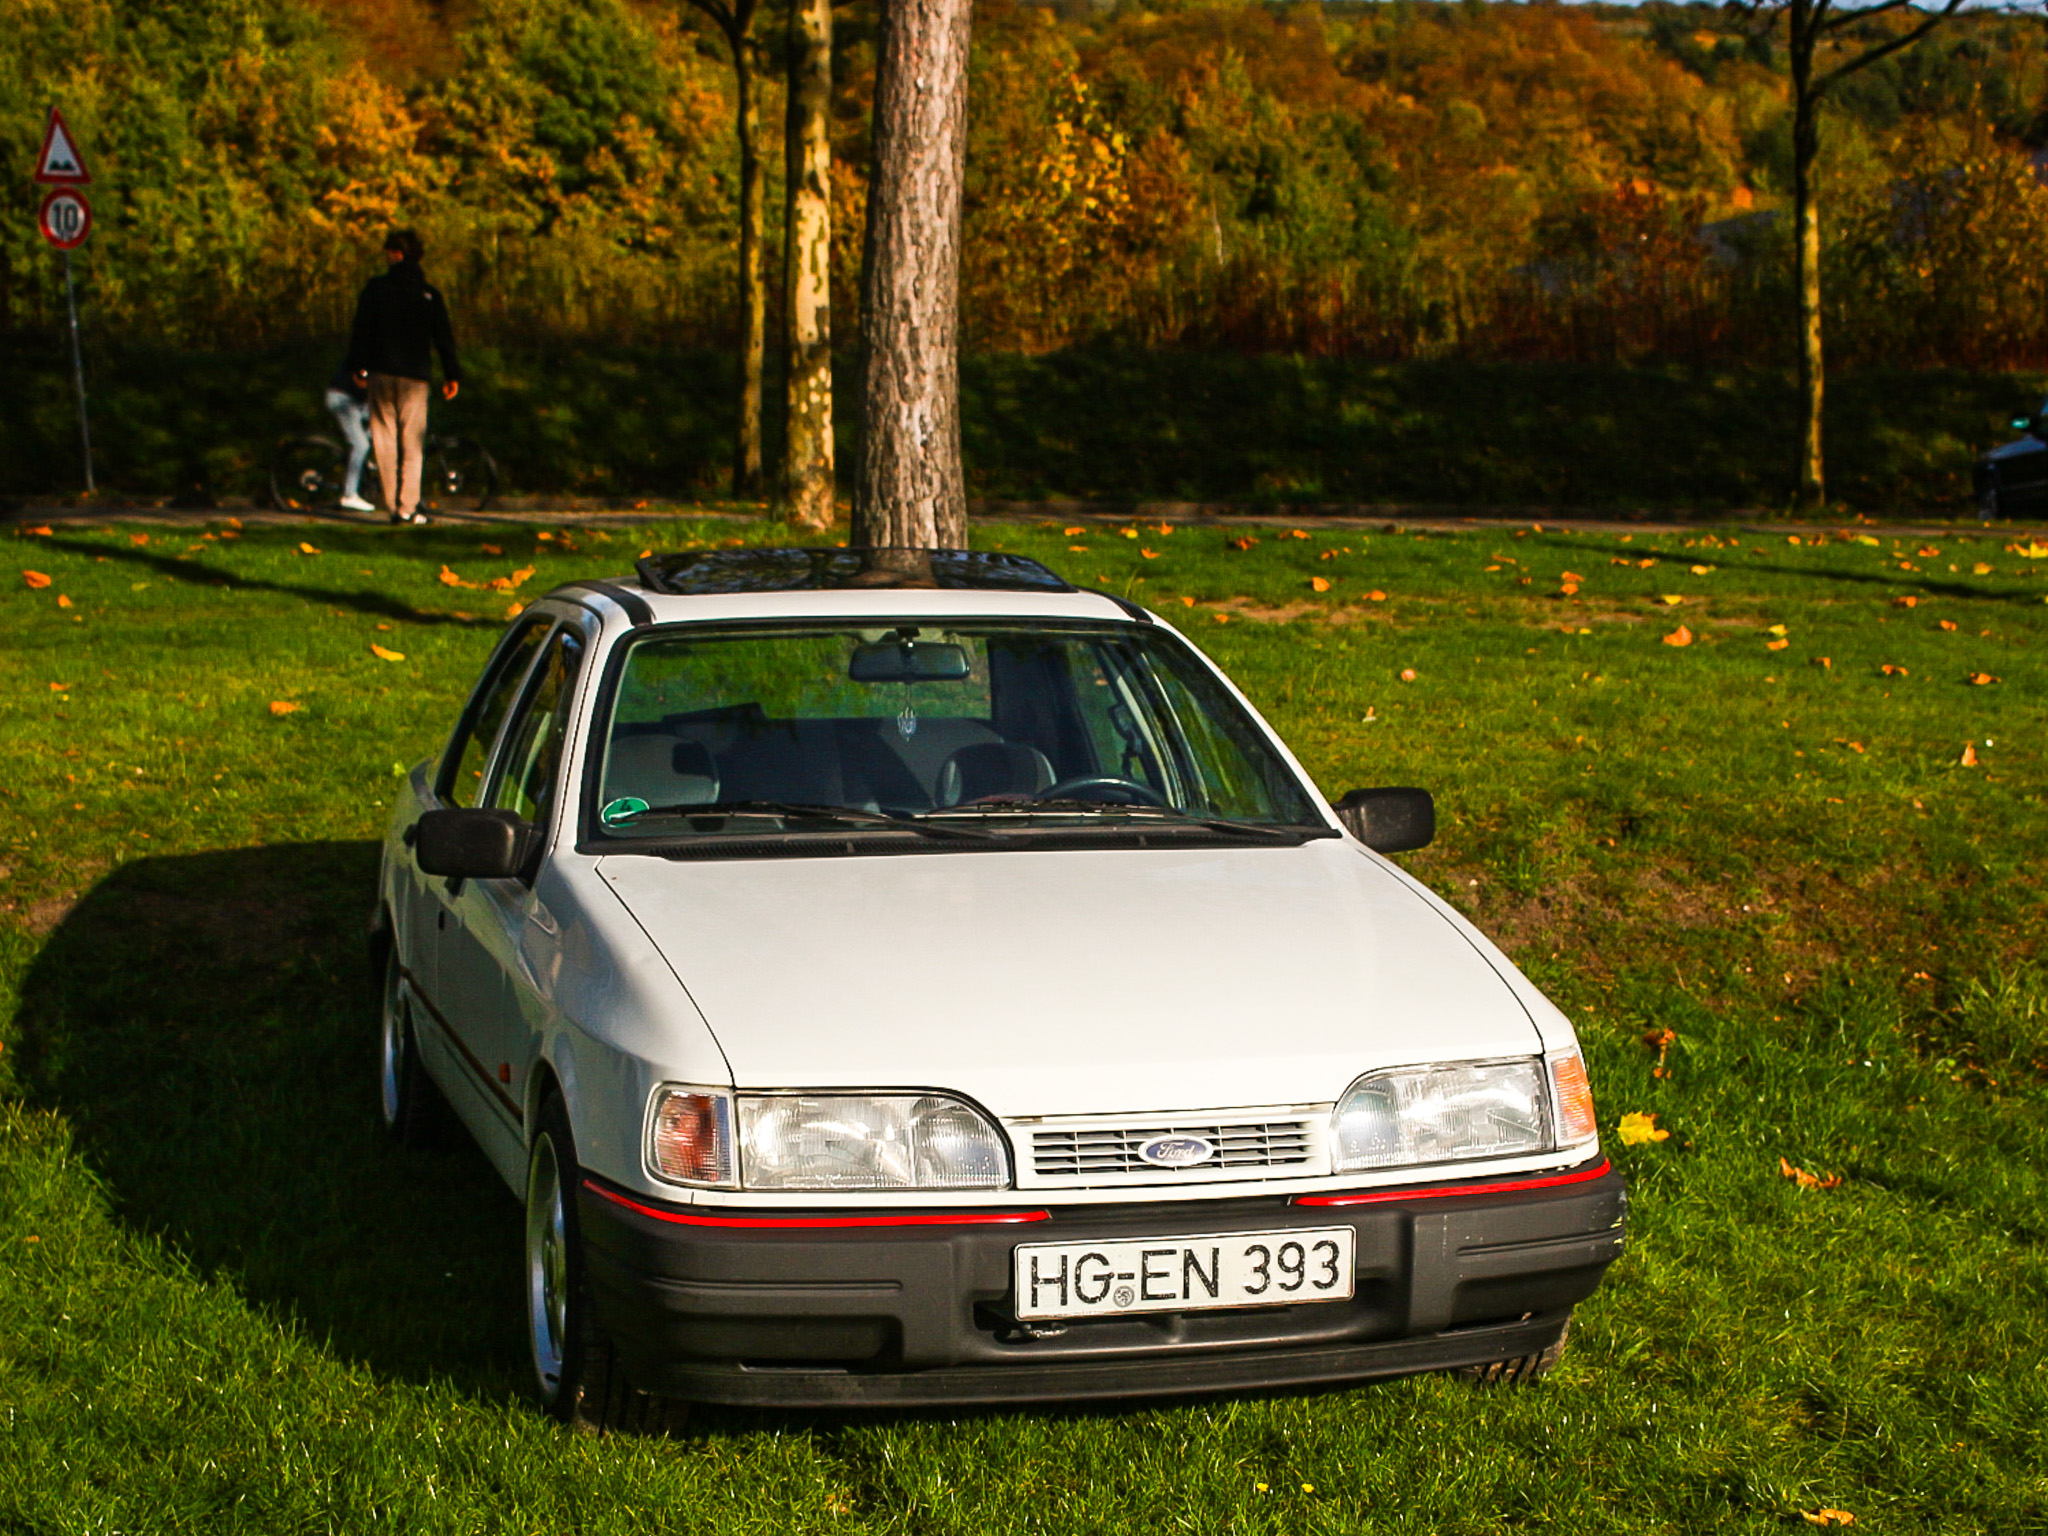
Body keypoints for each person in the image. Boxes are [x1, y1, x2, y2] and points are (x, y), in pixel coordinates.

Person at [345, 228, 462, 525]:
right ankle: (408, 505)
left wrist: (358, 367)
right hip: (416, 377)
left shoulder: (376, 289)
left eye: (388, 251)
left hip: (382, 373)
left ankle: (392, 504)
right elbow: (443, 338)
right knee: (413, 444)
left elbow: (362, 330)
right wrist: (452, 374)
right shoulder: (429, 295)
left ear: (397, 254)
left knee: (384, 440)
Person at [323, 363, 376, 513]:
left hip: (352, 398)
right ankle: (349, 495)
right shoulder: (366, 354)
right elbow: (361, 379)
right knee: (361, 446)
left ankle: (362, 460)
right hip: (342, 398)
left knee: (383, 416)